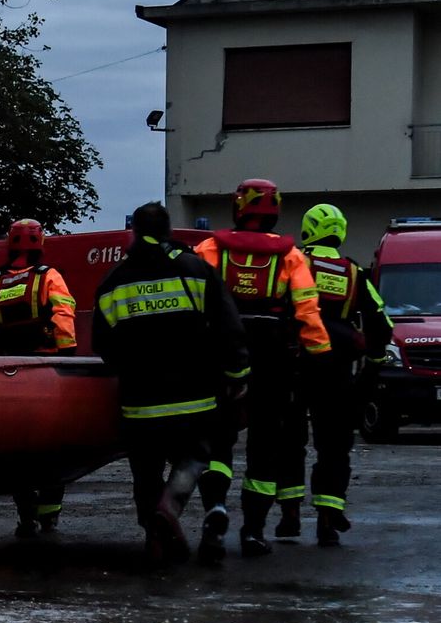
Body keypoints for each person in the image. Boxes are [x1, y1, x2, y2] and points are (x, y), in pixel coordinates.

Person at [93, 203, 249, 563]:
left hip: (139, 400)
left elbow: (103, 345)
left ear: (133, 232)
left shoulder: (113, 282)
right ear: (168, 232)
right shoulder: (196, 270)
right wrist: (237, 375)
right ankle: (168, 509)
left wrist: (133, 367)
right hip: (195, 396)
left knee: (146, 471)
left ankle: (154, 536)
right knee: (195, 457)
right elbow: (228, 326)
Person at [193, 178, 331, 562]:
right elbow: (308, 312)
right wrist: (320, 358)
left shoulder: (209, 249)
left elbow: (195, 303)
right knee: (265, 449)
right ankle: (253, 532)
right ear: (276, 212)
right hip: (275, 361)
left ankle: (215, 509)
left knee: (218, 441)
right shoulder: (292, 257)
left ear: (238, 208)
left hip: (222, 357)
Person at [0, 219, 78, 536]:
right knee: (53, 446)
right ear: (40, 244)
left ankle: (26, 514)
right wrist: (67, 355)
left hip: (5, 376)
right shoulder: (49, 278)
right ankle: (50, 516)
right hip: (45, 372)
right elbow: (64, 317)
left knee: (16, 448)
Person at [292, 203, 394, 546]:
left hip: (296, 366)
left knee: (289, 440)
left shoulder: (295, 263)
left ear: (308, 230)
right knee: (334, 446)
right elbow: (382, 323)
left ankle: (288, 514)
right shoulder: (353, 272)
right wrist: (375, 363)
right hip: (337, 372)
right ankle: (327, 516)